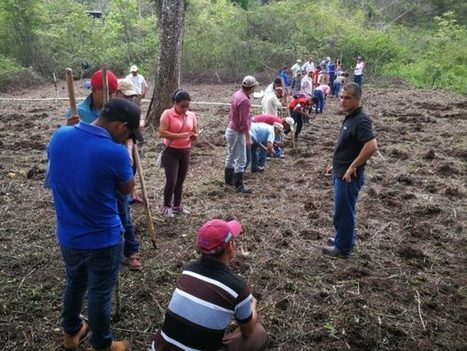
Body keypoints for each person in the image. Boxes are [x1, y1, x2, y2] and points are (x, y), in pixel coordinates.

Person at [47, 98, 141, 351]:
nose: (129, 137)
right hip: (103, 238)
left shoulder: (60, 135)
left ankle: (71, 333)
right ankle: (103, 344)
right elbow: (127, 190)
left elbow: (53, 177)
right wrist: (127, 155)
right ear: (122, 127)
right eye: (130, 132)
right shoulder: (114, 152)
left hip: (68, 234)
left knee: (74, 283)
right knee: (99, 293)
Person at [151, 219, 268, 351]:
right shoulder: (238, 289)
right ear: (230, 246)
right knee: (259, 333)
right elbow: (248, 331)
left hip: (160, 347)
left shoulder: (187, 271)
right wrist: (252, 306)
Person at [322, 83, 378, 258]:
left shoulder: (361, 120)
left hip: (348, 177)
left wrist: (353, 166)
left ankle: (343, 248)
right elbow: (348, 145)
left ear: (358, 99)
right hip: (340, 171)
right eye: (341, 97)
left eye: (347, 98)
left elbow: (372, 146)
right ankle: (342, 238)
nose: (342, 101)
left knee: (344, 212)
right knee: (342, 210)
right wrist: (336, 164)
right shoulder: (350, 116)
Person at [159, 90, 198, 218]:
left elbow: (195, 132)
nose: (185, 109)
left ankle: (177, 205)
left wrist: (193, 137)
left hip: (185, 150)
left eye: (187, 106)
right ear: (175, 103)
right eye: (182, 106)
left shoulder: (191, 115)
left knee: (180, 180)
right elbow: (162, 133)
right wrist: (180, 135)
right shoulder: (167, 114)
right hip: (171, 151)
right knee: (172, 180)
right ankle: (166, 206)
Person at [224, 75, 259, 193]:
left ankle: (228, 180)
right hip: (238, 132)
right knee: (241, 159)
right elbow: (243, 122)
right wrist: (248, 137)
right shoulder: (244, 100)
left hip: (231, 129)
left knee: (231, 155)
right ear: (252, 87)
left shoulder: (237, 94)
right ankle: (239, 185)